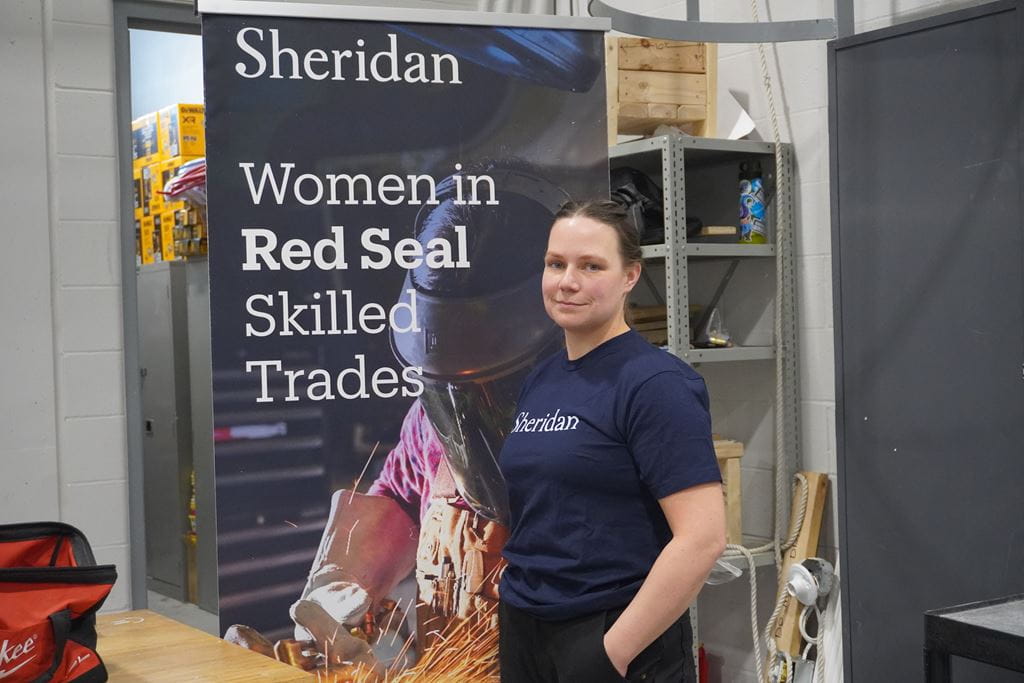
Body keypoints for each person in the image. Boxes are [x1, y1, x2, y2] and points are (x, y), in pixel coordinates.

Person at [497, 199, 727, 682]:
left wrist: (611, 654)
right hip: (527, 629)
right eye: (555, 264)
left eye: (591, 266)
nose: (568, 281)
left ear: (629, 277)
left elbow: (702, 538)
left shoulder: (655, 384)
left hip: (612, 636)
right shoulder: (541, 379)